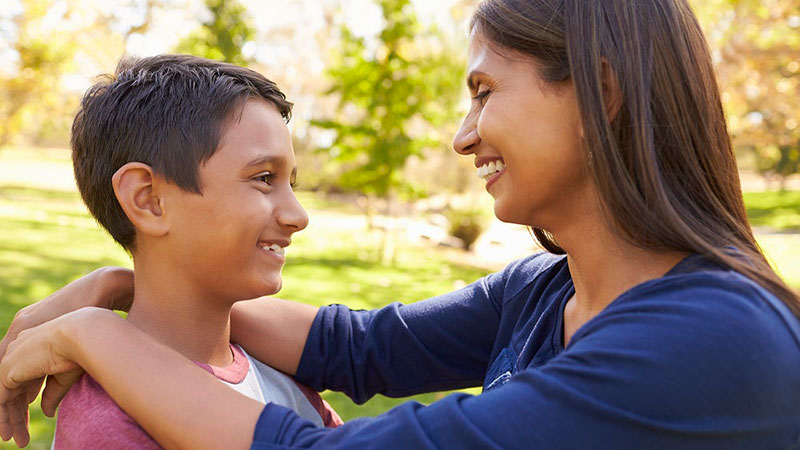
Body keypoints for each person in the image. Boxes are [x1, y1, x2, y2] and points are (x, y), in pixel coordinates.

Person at [2, 0, 799, 448]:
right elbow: (357, 345)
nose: (463, 133)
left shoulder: (705, 335)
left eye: (484, 92)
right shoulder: (546, 292)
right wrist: (125, 285)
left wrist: (93, 336)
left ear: (601, 94)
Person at [19, 54, 342, 449]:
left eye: (291, 183)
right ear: (149, 200)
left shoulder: (285, 371)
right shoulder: (111, 428)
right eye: (263, 178)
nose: (299, 215)